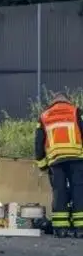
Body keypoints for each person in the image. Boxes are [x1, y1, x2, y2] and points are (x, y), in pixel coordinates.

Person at [34, 94, 83, 237]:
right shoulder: (76, 112)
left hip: (56, 160)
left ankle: (60, 229)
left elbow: (39, 143)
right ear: (68, 100)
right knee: (79, 191)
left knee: (59, 191)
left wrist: (42, 165)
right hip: (77, 158)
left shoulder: (44, 116)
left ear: (53, 102)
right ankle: (80, 229)